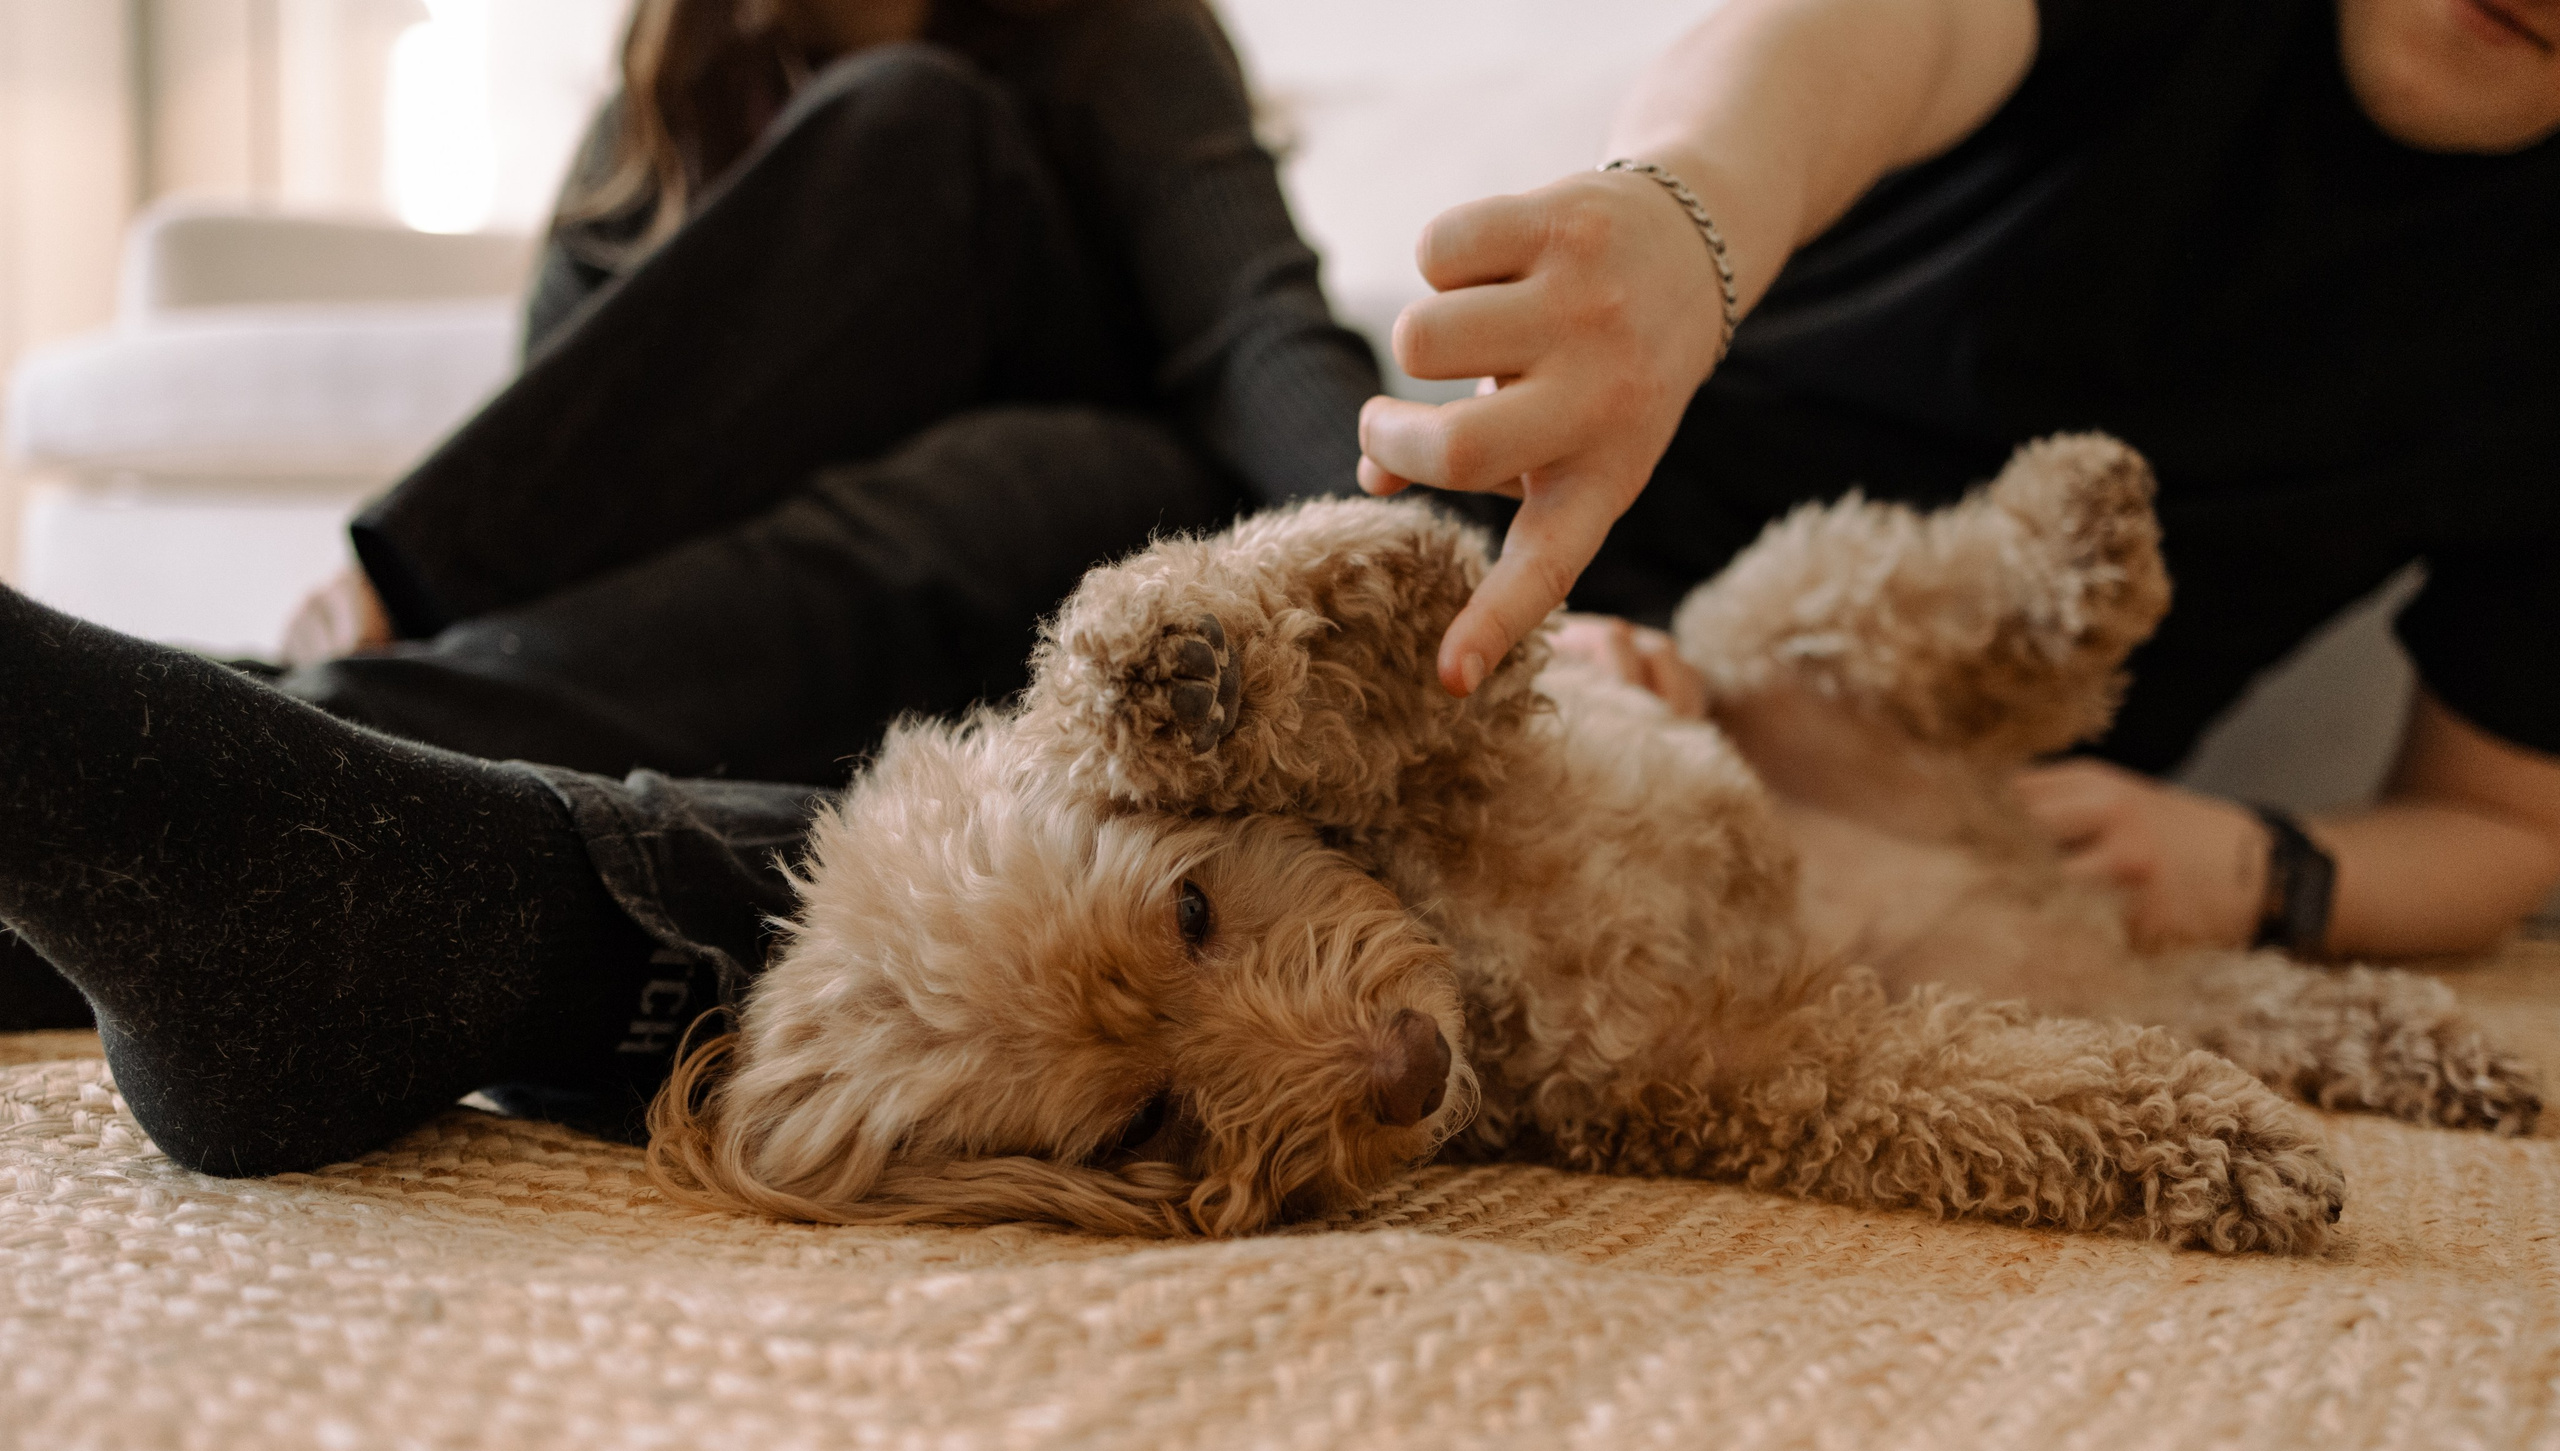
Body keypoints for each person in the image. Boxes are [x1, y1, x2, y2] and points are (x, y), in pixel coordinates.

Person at [2, 0, 2554, 1182]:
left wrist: (2262, 869)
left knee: (1015, 391)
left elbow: (2499, 816)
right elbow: (1830, 38)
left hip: (1561, 674)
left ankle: (314, 804)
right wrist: (1668, 241)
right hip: (1396, 599)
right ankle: (313, 758)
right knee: (941, 228)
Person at [1359, 0, 2560, 962]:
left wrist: (2258, 865)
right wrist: (1684, 207)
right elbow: (1880, 27)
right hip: (1518, 625)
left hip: (1914, 841)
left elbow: (2507, 824)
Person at [269, 0, 1377, 783]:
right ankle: (263, 739)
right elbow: (575, 477)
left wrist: (1408, 563)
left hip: (1085, 549)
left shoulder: (1115, 37)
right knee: (676, 605)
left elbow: (1255, 333)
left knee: (913, 124)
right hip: (771, 613)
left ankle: (298, 709)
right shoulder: (660, 106)